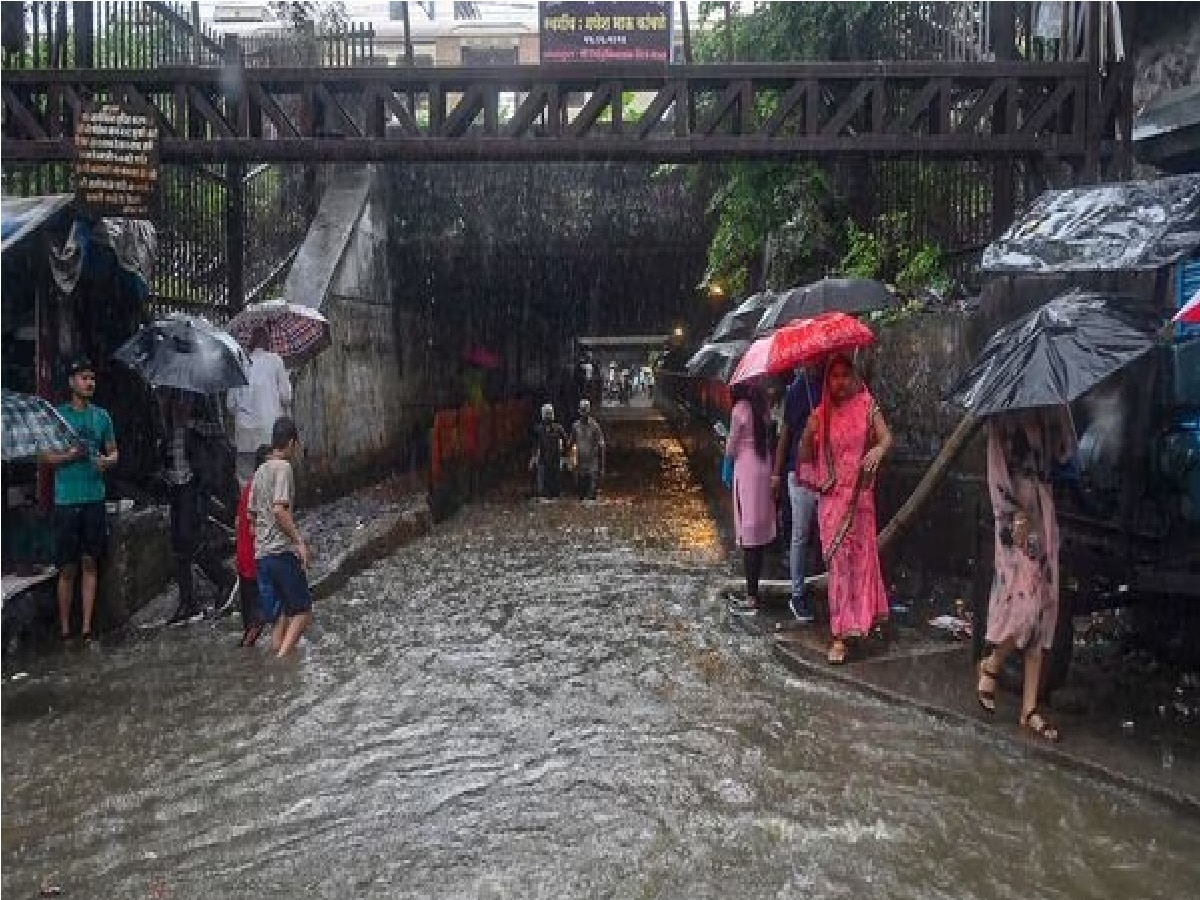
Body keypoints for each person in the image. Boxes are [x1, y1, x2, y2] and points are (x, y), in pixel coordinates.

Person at [975, 407, 1075, 742]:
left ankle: (1029, 707)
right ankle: (993, 662)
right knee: (1026, 607)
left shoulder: (1049, 411)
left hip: (1044, 516)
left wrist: (1062, 413)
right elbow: (997, 475)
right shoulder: (1001, 417)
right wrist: (1013, 513)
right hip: (1016, 523)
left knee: (1045, 610)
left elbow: (1065, 453)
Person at [797, 355, 892, 663]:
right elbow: (804, 457)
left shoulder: (867, 405)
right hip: (833, 501)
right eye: (833, 376)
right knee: (838, 566)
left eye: (844, 375)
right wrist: (808, 433)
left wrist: (878, 449)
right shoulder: (820, 414)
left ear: (853, 377)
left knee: (861, 562)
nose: (839, 382)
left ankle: (859, 624)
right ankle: (839, 634)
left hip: (861, 499)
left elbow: (887, 437)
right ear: (827, 381)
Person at [40, 356, 118, 644]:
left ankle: (86, 627)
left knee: (89, 562)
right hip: (66, 500)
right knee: (67, 566)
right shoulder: (57, 416)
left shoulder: (102, 417)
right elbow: (45, 458)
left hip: (94, 498)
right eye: (84, 378)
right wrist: (69, 457)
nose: (89, 383)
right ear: (71, 382)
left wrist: (106, 463)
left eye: (92, 378)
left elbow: (114, 452)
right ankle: (64, 628)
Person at [159, 390, 239, 625]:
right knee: (178, 543)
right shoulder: (167, 397)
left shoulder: (201, 396)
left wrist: (190, 422)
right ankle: (187, 602)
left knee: (191, 537)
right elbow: (165, 436)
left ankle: (224, 578)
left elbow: (217, 433)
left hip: (196, 479)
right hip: (173, 478)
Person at [250, 417, 312, 657]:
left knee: (281, 617)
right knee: (303, 611)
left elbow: (251, 516)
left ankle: (279, 669)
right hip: (280, 553)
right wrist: (298, 541)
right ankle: (282, 660)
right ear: (292, 442)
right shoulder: (283, 468)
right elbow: (279, 509)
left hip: (262, 558)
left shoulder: (259, 471)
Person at [772, 365, 824, 623]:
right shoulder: (795, 391)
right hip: (798, 470)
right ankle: (797, 593)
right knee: (800, 534)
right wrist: (776, 474)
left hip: (826, 470)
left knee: (827, 532)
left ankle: (828, 587)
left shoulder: (830, 383)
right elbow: (786, 434)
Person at [725, 381, 777, 615]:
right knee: (759, 532)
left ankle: (751, 595)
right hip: (764, 466)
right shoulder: (763, 408)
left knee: (748, 535)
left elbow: (731, 445)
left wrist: (726, 464)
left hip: (745, 470)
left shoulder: (739, 410)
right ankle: (755, 591)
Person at [227, 327, 291, 482]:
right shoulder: (275, 361)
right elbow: (286, 397)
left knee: (246, 480)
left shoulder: (240, 363)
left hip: (244, 435)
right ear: (267, 343)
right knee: (271, 479)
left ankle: (248, 506)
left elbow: (230, 405)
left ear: (251, 343)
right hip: (269, 433)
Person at [235, 444, 273, 647]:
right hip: (255, 562)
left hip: (244, 561)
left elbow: (238, 522)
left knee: (251, 620)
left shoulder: (248, 488)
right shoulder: (260, 491)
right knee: (260, 617)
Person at [569, 399, 606, 503]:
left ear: (589, 411)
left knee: (591, 495)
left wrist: (602, 466)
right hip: (580, 464)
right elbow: (571, 444)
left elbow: (601, 445)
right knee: (581, 494)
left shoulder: (595, 426)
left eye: (585, 411)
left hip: (592, 464)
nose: (584, 414)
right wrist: (571, 462)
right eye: (582, 411)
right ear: (579, 411)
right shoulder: (575, 426)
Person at [530, 403, 567, 500]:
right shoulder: (538, 429)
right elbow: (534, 445)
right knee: (542, 490)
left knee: (555, 488)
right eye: (546, 414)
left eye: (549, 414)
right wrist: (533, 458)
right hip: (543, 461)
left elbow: (567, 442)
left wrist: (565, 457)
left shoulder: (558, 428)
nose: (548, 416)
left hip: (556, 460)